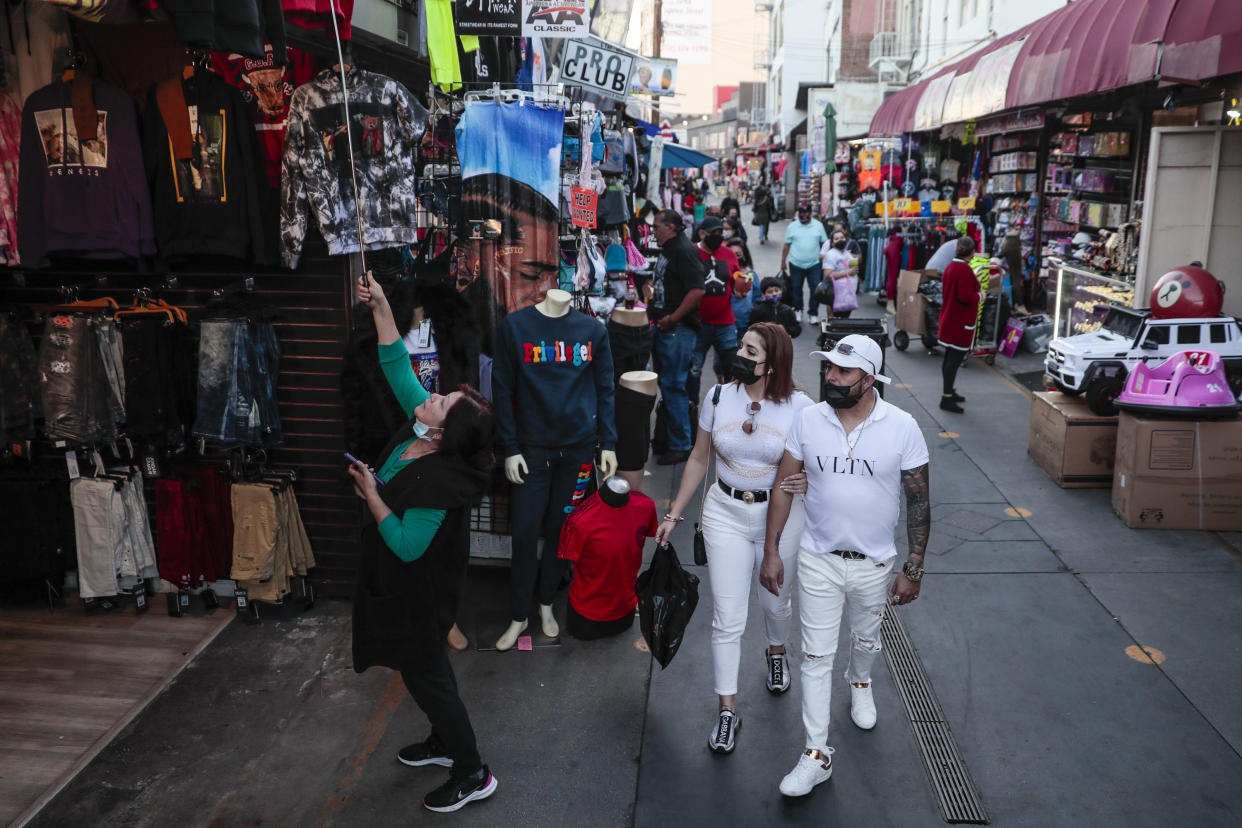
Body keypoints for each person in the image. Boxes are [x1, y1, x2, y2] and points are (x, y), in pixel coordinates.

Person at [350, 272, 499, 814]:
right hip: (402, 586)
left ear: (442, 433)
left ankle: (473, 771)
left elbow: (411, 545)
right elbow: (396, 363)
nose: (431, 394)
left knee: (429, 677)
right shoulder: (424, 430)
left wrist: (373, 495)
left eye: (441, 402)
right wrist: (383, 306)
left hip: (423, 593)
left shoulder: (443, 481)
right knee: (421, 671)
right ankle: (444, 743)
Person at [761, 335, 930, 798]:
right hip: (819, 558)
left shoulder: (903, 427)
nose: (830, 377)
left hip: (875, 562)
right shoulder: (808, 420)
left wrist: (913, 568)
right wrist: (772, 549)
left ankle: (860, 680)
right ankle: (817, 754)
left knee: (865, 636)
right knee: (814, 656)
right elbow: (782, 484)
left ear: (868, 380)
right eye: (829, 368)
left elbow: (919, 502)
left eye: (842, 372)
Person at [656, 322, 814, 754]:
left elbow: (818, 462)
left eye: (749, 349)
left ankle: (776, 650)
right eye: (740, 345)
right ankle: (727, 710)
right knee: (727, 617)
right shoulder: (719, 396)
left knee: (774, 601)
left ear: (772, 363)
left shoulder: (801, 408)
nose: (737, 352)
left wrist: (808, 480)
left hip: (779, 519)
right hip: (725, 512)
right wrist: (675, 514)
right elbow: (699, 456)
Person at [648, 209, 706, 465]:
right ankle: (673, 439)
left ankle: (681, 445)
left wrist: (673, 318)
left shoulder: (683, 250)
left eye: (657, 226)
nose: (653, 230)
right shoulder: (671, 248)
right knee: (669, 385)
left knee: (674, 385)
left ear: (670, 227)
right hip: (667, 328)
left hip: (678, 330)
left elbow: (697, 290)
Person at [689, 216, 740, 402]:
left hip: (725, 322)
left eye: (720, 233)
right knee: (693, 370)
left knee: (732, 369)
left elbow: (736, 282)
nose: (717, 236)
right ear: (702, 233)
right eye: (713, 233)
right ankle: (692, 405)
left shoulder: (729, 254)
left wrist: (741, 289)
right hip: (697, 323)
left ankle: (730, 405)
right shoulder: (691, 252)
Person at [937, 237, 981, 413]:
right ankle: (946, 397)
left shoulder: (950, 267)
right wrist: (980, 296)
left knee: (950, 359)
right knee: (953, 360)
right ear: (972, 252)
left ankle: (949, 391)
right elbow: (965, 296)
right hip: (959, 322)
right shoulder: (963, 269)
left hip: (949, 319)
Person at [780, 204, 830, 325]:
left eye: (806, 213)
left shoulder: (818, 225)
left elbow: (825, 243)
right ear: (799, 213)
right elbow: (787, 245)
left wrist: (826, 259)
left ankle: (813, 314)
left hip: (815, 264)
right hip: (796, 263)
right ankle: (798, 311)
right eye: (801, 213)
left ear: (810, 213)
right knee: (796, 288)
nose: (804, 215)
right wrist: (783, 261)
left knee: (815, 289)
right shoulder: (792, 226)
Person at [819, 228, 859, 320]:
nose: (840, 240)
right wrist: (848, 272)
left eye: (842, 237)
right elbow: (828, 274)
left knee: (845, 318)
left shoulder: (848, 254)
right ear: (832, 243)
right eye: (836, 239)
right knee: (837, 319)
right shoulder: (830, 255)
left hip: (848, 293)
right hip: (837, 293)